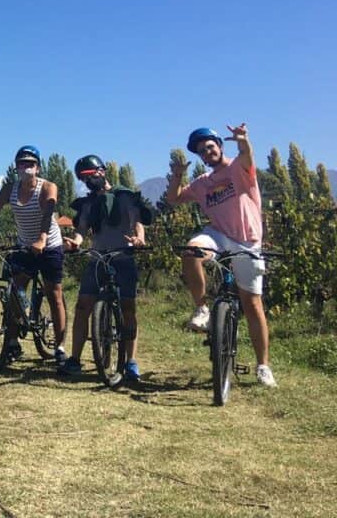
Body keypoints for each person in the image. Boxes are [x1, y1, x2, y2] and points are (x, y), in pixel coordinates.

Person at [165, 124, 276, 387]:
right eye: (202, 151)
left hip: (247, 241)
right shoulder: (202, 183)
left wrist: (244, 140)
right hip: (218, 236)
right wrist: (178, 176)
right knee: (192, 251)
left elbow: (247, 156)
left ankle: (263, 366)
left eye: (210, 146)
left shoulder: (239, 168)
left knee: (252, 304)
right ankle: (202, 309)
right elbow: (174, 198)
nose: (207, 152)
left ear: (219, 146)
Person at [0, 145, 68, 364]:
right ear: (16, 167)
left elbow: (48, 212)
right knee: (15, 289)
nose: (26, 167)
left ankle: (60, 348)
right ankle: (12, 342)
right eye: (22, 163)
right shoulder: (9, 189)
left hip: (49, 244)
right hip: (24, 245)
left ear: (38, 168)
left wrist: (42, 239)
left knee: (54, 294)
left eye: (30, 163)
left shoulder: (47, 187)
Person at [60, 155, 150, 380]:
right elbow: (81, 229)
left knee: (128, 308)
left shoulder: (124, 195)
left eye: (90, 175)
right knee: (83, 306)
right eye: (83, 178)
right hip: (98, 259)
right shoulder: (88, 203)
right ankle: (75, 359)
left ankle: (131, 362)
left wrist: (139, 238)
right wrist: (76, 242)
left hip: (123, 257)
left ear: (101, 171)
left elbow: (137, 220)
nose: (87, 181)